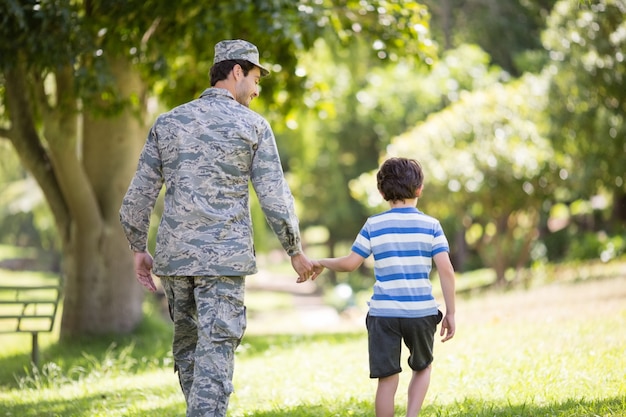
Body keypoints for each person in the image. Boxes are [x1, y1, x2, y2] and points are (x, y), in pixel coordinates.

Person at [119, 39, 320, 417]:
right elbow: (275, 197)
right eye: (257, 78)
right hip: (224, 262)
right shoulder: (254, 127)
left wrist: (138, 248)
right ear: (237, 71)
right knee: (216, 350)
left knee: (190, 351)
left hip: (176, 261)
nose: (258, 89)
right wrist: (294, 250)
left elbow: (136, 198)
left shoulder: (168, 123)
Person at [316, 157, 456, 417]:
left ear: (382, 192)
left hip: (384, 314)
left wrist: (322, 261)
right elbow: (446, 270)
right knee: (422, 368)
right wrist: (451, 312)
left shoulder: (374, 225)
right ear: (419, 189)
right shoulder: (431, 225)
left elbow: (350, 264)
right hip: (421, 313)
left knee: (387, 379)